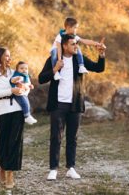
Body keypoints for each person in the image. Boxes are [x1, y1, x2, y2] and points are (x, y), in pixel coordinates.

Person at [39, 34, 106, 180]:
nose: (76, 46)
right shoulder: (54, 59)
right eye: (72, 44)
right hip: (58, 105)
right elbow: (41, 78)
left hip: (75, 104)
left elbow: (98, 68)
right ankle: (53, 169)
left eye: (76, 43)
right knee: (56, 137)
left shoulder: (78, 59)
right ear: (64, 46)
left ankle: (70, 168)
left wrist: (101, 54)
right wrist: (55, 69)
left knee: (72, 138)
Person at [0, 47, 27, 189]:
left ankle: (10, 174)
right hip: (2, 111)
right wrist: (11, 90)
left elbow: (24, 85)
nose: (9, 58)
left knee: (15, 141)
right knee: (3, 142)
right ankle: (3, 166)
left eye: (10, 56)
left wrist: (24, 88)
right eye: (6, 56)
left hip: (17, 109)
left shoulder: (13, 72)